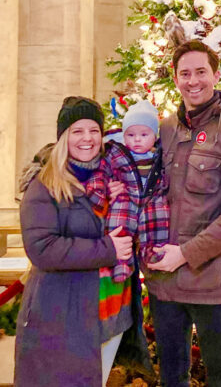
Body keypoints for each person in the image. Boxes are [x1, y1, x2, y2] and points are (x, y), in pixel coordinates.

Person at [145, 39, 221, 387]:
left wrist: (186, 254)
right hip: (163, 281)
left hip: (210, 282)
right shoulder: (165, 129)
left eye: (200, 72)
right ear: (175, 78)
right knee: (171, 375)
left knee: (220, 376)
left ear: (215, 74)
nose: (193, 81)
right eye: (185, 73)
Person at [14, 96, 134, 387]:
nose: (87, 138)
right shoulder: (44, 184)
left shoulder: (109, 176)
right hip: (60, 315)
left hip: (110, 310)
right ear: (63, 137)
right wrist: (108, 249)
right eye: (77, 131)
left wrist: (120, 201)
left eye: (94, 130)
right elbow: (42, 249)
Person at [86, 99, 170, 282]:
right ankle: (121, 262)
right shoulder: (116, 153)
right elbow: (101, 172)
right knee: (119, 227)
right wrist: (99, 191)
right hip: (125, 198)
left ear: (154, 136)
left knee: (159, 220)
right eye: (131, 135)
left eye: (143, 134)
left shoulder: (161, 157)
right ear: (124, 136)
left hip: (152, 200)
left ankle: (155, 253)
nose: (137, 139)